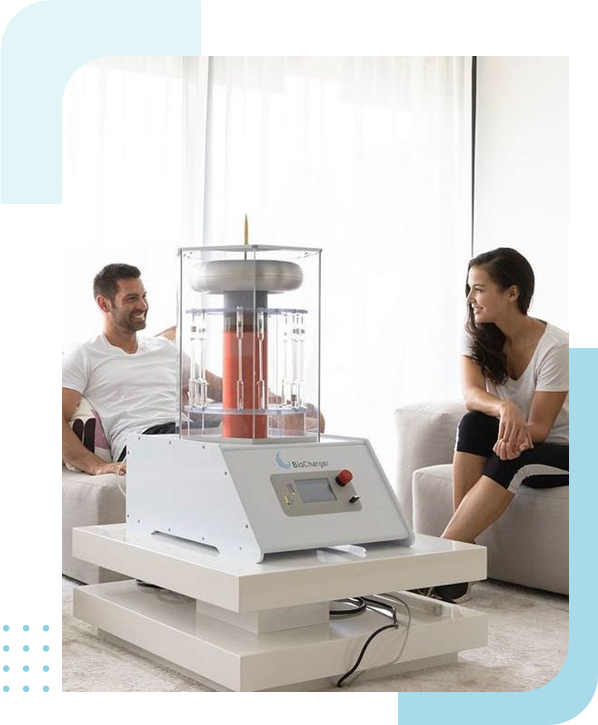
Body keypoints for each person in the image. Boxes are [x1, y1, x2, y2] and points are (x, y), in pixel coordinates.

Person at [427, 248, 569, 603]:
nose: (470, 299)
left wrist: (510, 437)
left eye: (479, 289)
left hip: (566, 450)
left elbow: (539, 427)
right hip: (521, 436)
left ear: (512, 293)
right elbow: (472, 395)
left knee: (512, 458)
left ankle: (444, 560)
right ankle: (461, 554)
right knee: (474, 423)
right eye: (469, 288)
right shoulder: (478, 333)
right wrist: (504, 407)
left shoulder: (557, 347)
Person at [60, 263, 222, 475]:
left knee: (244, 443)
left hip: (185, 434)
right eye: (131, 299)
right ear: (104, 304)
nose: (143, 305)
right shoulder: (84, 354)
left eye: (143, 296)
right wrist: (97, 466)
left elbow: (220, 388)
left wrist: (275, 403)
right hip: (142, 443)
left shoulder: (164, 349)